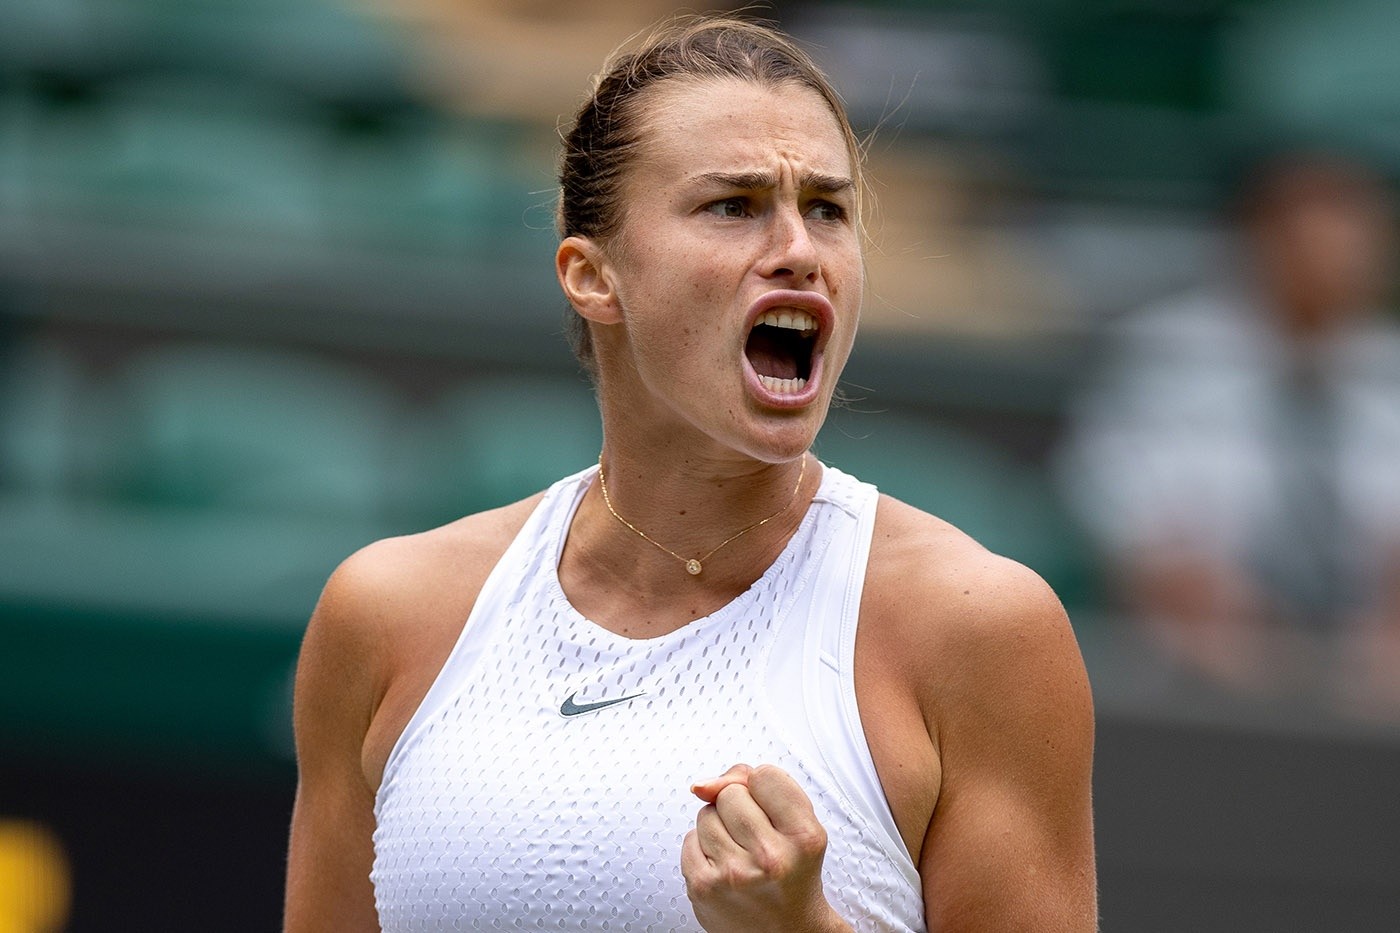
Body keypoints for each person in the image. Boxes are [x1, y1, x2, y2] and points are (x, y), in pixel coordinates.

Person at [284, 15, 1096, 932]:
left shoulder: (981, 629)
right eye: (734, 206)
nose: (800, 251)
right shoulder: (385, 615)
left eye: (827, 209)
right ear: (593, 276)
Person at [1057, 149, 1400, 711]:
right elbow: (1123, 514)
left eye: (1358, 238)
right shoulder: (1168, 350)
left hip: (1364, 666)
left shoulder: (1388, 366)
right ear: (1261, 240)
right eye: (1312, 236)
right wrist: (1249, 651)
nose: (1339, 258)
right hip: (1194, 656)